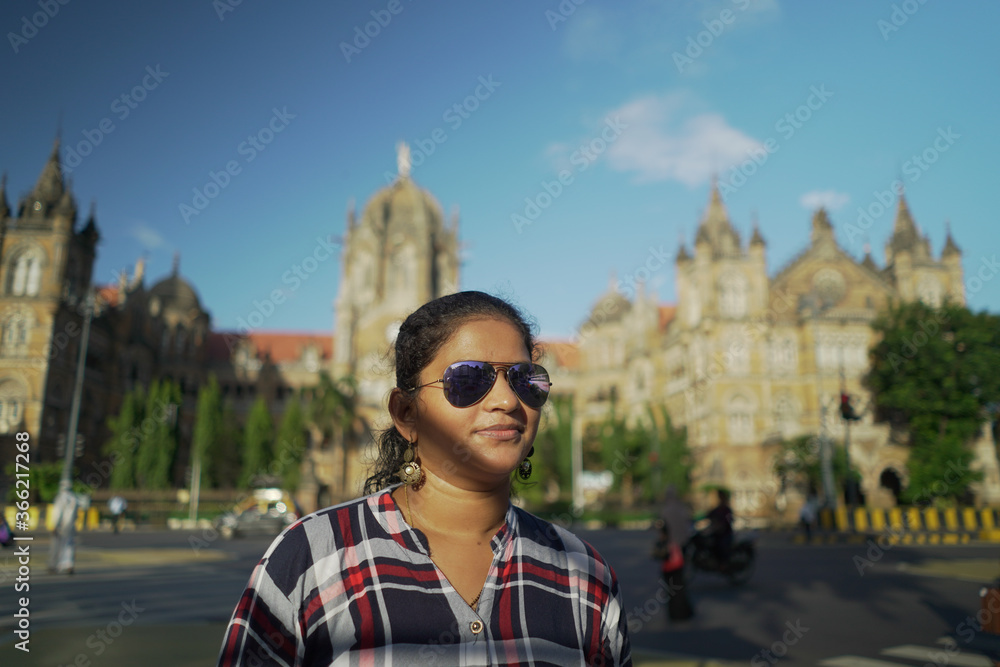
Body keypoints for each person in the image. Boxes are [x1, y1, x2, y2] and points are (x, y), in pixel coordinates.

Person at [217, 291, 632, 666]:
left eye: (526, 379)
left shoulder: (584, 576)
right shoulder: (311, 558)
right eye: (468, 379)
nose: (507, 400)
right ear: (406, 413)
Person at [657, 485, 694, 621]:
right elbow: (688, 528)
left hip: (670, 551)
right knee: (680, 581)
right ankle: (684, 611)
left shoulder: (665, 511)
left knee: (671, 584)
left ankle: (676, 613)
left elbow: (663, 533)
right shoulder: (682, 510)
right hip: (682, 548)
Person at [48, 484, 80, 574]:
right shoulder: (74, 498)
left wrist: (55, 525)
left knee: (57, 546)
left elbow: (58, 513)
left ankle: (54, 565)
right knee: (69, 545)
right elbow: (77, 514)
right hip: (71, 526)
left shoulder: (60, 498)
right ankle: (69, 564)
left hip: (61, 526)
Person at [705, 488, 734, 570]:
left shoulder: (726, 509)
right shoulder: (718, 509)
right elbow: (710, 515)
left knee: (722, 546)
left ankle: (724, 563)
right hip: (717, 532)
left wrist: (721, 525)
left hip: (725, 533)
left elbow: (728, 521)